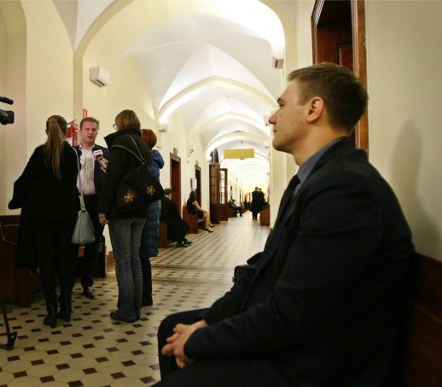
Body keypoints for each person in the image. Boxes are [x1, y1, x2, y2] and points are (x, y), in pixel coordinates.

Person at [157, 62, 414, 386]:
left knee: (179, 355)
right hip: (299, 336)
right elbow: (263, 268)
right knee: (172, 328)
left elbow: (293, 315)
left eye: (280, 104)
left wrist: (197, 341)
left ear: (313, 108)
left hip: (318, 362)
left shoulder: (346, 189)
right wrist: (208, 321)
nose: (271, 117)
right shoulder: (310, 181)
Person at [9, 115, 79, 328]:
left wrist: (16, 200)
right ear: (66, 131)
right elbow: (73, 181)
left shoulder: (41, 153)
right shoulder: (72, 153)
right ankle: (66, 305)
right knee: (65, 260)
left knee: (46, 261)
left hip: (42, 215)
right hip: (67, 213)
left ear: (47, 131)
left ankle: (51, 310)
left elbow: (24, 179)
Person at [99, 109, 151, 323]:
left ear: (120, 124)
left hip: (122, 210)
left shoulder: (120, 144)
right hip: (141, 209)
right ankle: (135, 308)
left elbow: (112, 180)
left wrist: (103, 209)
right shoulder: (143, 146)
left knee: (123, 261)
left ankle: (127, 311)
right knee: (135, 261)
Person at [73, 117, 110, 300]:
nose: (90, 132)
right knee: (72, 242)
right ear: (80, 131)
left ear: (97, 131)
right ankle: (68, 282)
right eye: (87, 129)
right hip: (75, 202)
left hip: (96, 203)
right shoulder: (71, 152)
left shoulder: (105, 153)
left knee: (93, 244)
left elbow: (111, 181)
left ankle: (87, 283)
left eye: (94, 129)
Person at [138, 128, 164, 306]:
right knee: (142, 256)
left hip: (146, 210)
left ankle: (144, 296)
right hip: (151, 208)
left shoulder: (150, 161)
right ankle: (145, 295)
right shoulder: (153, 159)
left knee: (141, 256)